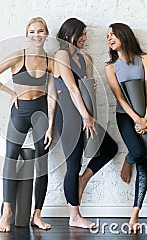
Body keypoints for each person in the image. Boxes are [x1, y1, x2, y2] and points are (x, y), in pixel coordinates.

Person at [0, 17, 57, 232]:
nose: (37, 34)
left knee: (41, 162)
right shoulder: (18, 57)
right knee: (10, 157)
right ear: (27, 34)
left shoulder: (50, 61)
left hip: (41, 112)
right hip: (20, 112)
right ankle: (7, 211)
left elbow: (52, 93)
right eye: (33, 31)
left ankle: (37, 215)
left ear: (46, 34)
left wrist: (51, 123)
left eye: (41, 31)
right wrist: (11, 92)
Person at [53, 18, 118, 229]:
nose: (84, 38)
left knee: (110, 147)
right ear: (68, 34)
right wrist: (86, 116)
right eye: (81, 34)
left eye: (85, 34)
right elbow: (72, 89)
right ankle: (74, 215)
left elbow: (87, 88)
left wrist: (91, 110)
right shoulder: (61, 55)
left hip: (83, 113)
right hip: (69, 114)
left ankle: (83, 180)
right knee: (73, 164)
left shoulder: (85, 58)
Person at [104, 23, 147, 231]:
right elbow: (119, 97)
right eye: (107, 36)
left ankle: (135, 214)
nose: (109, 38)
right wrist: (136, 119)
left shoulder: (145, 59)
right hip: (125, 116)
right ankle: (128, 159)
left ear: (124, 35)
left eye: (112, 34)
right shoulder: (110, 67)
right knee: (138, 151)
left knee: (145, 161)